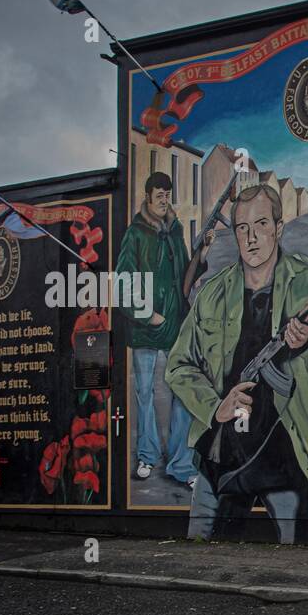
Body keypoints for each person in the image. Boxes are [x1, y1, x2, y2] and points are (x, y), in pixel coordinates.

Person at [166, 183, 308, 544]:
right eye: (242, 228)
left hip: (288, 449)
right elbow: (178, 365)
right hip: (222, 452)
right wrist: (215, 407)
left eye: (262, 225)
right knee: (199, 556)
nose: (252, 238)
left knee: (295, 561)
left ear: (279, 228)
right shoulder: (213, 293)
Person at [116, 171, 210, 489]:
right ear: (147, 197)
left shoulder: (175, 230)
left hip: (174, 324)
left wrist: (203, 255)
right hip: (146, 326)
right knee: (144, 393)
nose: (163, 199)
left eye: (167, 194)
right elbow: (123, 283)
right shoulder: (135, 234)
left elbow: (185, 273)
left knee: (180, 389)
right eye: (158, 194)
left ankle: (181, 464)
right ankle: (147, 456)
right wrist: (148, 315)